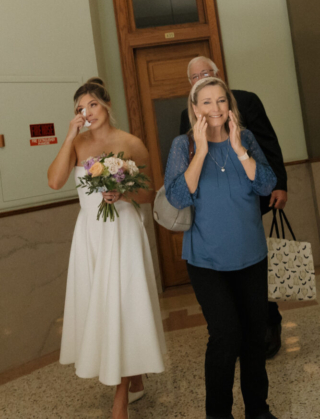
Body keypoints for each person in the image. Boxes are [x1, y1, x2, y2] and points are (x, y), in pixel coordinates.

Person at [48, 78, 166, 419]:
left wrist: (123, 193)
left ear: (107, 105)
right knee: (100, 306)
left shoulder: (130, 143)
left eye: (92, 105)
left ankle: (120, 395)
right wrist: (70, 135)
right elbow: (55, 181)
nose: (87, 113)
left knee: (122, 303)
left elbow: (149, 193)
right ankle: (135, 374)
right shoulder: (78, 143)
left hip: (123, 231)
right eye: (80, 109)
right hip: (90, 234)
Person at [165, 76, 278, 419]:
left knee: (254, 337)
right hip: (207, 260)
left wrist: (241, 150)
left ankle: (257, 409)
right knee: (226, 335)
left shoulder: (246, 139)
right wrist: (199, 152)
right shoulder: (181, 146)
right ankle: (218, 414)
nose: (215, 108)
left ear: (230, 105)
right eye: (207, 102)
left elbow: (267, 184)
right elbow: (178, 196)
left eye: (221, 101)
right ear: (195, 109)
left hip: (251, 255)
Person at [180, 56, 287, 359]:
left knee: (249, 265)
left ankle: (267, 323)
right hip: (210, 212)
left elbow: (268, 143)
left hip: (250, 193)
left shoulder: (246, 102)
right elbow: (183, 172)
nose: (214, 107)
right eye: (195, 76)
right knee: (225, 311)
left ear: (218, 76)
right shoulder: (185, 119)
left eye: (205, 73)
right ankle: (231, 330)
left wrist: (281, 183)